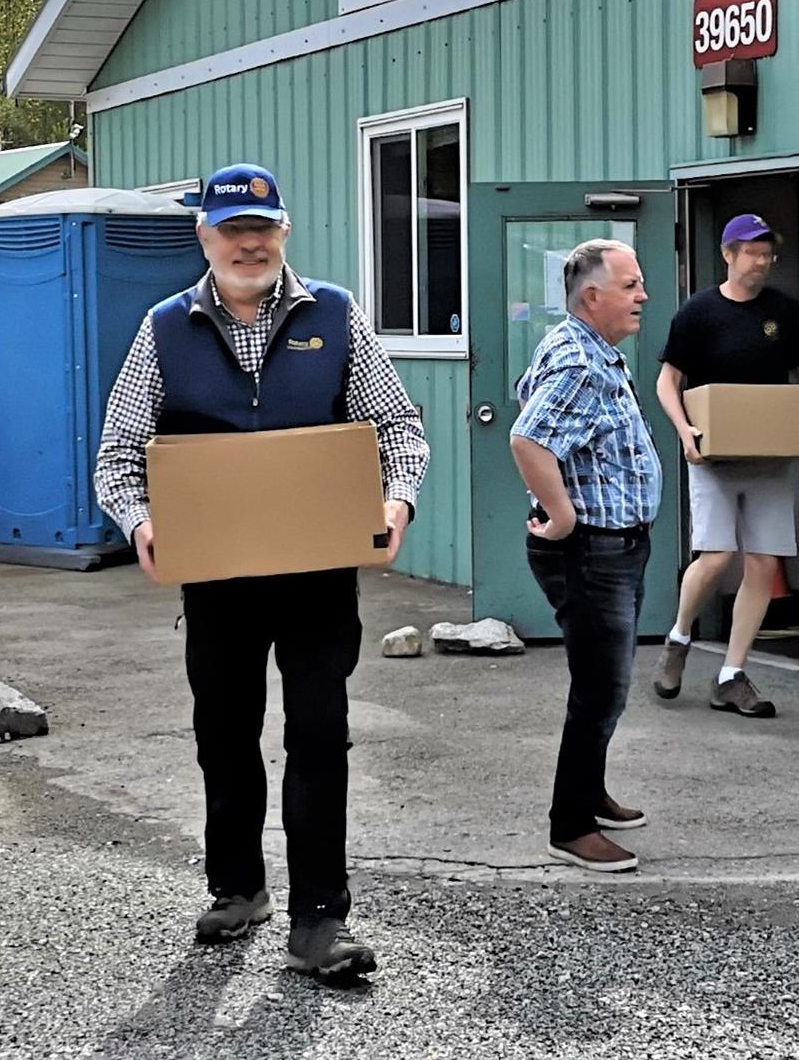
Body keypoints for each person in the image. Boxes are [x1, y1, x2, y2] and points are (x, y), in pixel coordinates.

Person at [94, 163, 429, 983]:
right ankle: (238, 886)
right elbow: (116, 453)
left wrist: (397, 503)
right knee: (225, 733)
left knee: (318, 734)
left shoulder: (337, 316)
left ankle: (321, 918)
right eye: (233, 229)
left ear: (284, 233)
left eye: (264, 228)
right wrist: (138, 523)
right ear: (204, 237)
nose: (250, 243)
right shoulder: (164, 328)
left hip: (317, 573)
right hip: (217, 576)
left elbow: (400, 428)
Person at [510, 238, 661, 874]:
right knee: (601, 689)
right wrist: (566, 513)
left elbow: (528, 399)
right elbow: (530, 438)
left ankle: (589, 791)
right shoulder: (581, 361)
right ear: (591, 297)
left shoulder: (587, 348)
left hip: (615, 546)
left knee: (606, 682)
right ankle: (569, 825)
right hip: (589, 549)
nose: (643, 296)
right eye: (631, 286)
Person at [652, 215, 799, 718]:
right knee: (716, 556)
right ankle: (680, 636)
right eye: (752, 252)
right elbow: (669, 381)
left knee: (766, 561)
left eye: (768, 253)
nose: (762, 261)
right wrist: (686, 432)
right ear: (728, 254)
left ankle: (731, 674)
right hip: (713, 457)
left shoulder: (785, 313)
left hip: (769, 458)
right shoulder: (698, 313)